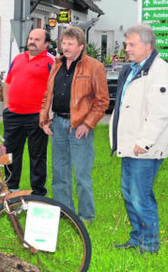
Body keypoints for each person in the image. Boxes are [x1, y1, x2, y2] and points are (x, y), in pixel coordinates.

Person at [40, 27, 109, 223]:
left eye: (70, 44)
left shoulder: (94, 67)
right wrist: (44, 119)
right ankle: (64, 213)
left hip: (79, 127)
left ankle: (86, 217)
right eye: (63, 43)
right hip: (58, 124)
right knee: (59, 174)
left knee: (82, 176)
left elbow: (102, 101)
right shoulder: (57, 64)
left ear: (81, 46)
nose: (65, 47)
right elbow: (48, 94)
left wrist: (87, 124)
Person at [110, 24, 168, 254]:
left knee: (140, 194)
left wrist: (144, 142)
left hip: (144, 148)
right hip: (130, 145)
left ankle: (150, 243)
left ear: (148, 45)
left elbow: (160, 113)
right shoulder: (133, 69)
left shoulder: (160, 72)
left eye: (131, 44)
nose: (127, 49)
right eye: (126, 44)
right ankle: (138, 237)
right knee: (130, 193)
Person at [2, 29, 55, 196]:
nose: (32, 41)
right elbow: (8, 83)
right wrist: (6, 107)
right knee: (10, 153)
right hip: (13, 115)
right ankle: (11, 188)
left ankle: (38, 193)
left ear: (46, 44)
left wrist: (46, 114)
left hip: (36, 116)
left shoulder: (51, 61)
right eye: (30, 38)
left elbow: (54, 89)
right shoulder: (18, 58)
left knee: (37, 155)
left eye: (37, 39)